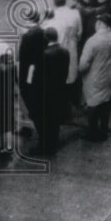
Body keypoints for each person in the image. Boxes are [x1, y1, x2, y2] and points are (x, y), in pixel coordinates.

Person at [79, 13, 111, 142]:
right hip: (108, 73)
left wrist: (80, 71)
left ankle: (92, 132)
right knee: (105, 102)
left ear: (100, 24)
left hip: (95, 76)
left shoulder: (92, 41)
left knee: (93, 104)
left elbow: (84, 65)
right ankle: (104, 130)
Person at [32, 28, 70, 156]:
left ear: (46, 38)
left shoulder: (44, 55)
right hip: (59, 90)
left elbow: (38, 77)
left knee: (45, 121)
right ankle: (53, 144)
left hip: (46, 93)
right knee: (55, 120)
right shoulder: (65, 52)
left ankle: (44, 147)